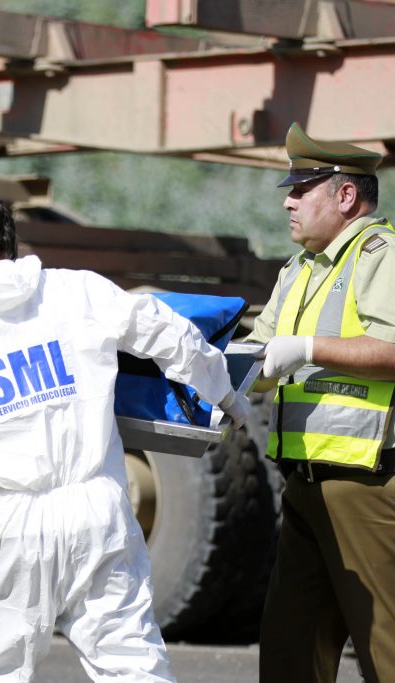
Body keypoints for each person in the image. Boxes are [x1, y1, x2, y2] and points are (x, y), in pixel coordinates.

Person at [0, 187, 251, 682]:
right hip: (97, 510)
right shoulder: (77, 290)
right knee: (130, 662)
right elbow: (170, 333)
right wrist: (228, 397)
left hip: (14, 525)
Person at [244, 122, 395, 683]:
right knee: (290, 650)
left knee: (385, 648)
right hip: (305, 483)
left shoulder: (380, 253)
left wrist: (308, 348)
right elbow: (261, 361)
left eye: (301, 187)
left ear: (346, 195)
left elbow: (393, 347)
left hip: (365, 483)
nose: (288, 200)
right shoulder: (299, 270)